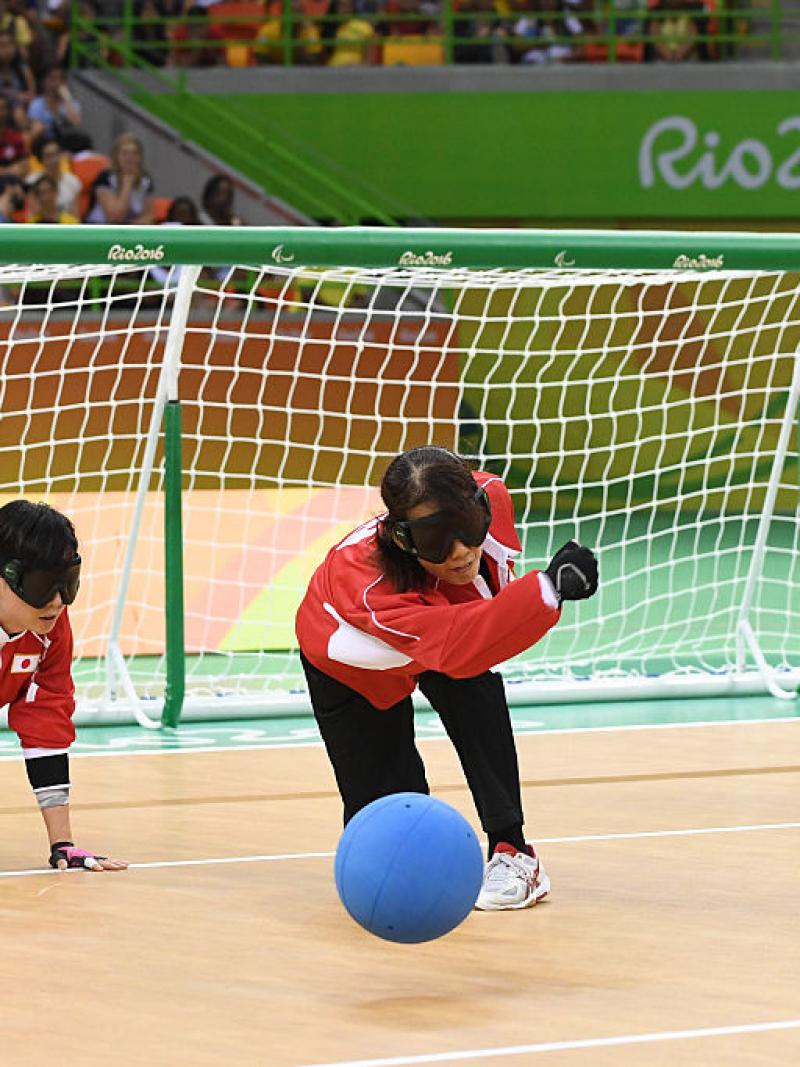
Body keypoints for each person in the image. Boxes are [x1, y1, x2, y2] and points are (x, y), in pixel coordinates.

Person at [295, 446, 598, 910]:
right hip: (354, 669)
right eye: (437, 540)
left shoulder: (491, 496)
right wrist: (548, 590)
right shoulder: (369, 587)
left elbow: (477, 630)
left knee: (476, 684)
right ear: (403, 539)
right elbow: (457, 645)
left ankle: (513, 851)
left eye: (469, 529)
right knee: (394, 835)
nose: (460, 553)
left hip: (446, 629)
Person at [0, 500, 128, 871]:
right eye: (42, 585)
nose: (57, 602)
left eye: (67, 584)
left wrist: (63, 845)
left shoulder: (51, 629)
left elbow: (45, 717)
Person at [85, 132, 155, 224]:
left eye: (135, 153)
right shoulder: (106, 177)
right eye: (125, 154)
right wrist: (127, 184)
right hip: (101, 228)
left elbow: (149, 216)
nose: (130, 158)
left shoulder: (145, 179)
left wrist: (136, 225)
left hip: (131, 231)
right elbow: (115, 217)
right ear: (116, 157)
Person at [28, 133, 82, 215]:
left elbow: (75, 216)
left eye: (56, 154)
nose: (54, 160)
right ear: (41, 159)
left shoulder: (73, 182)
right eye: (49, 156)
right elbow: (35, 212)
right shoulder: (31, 182)